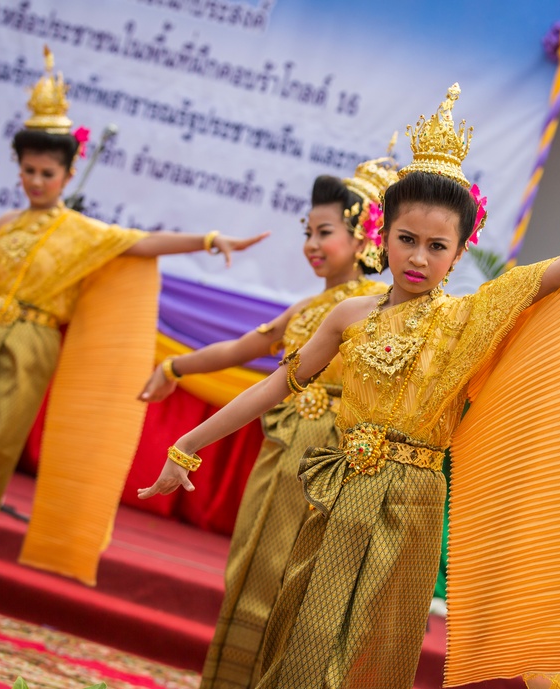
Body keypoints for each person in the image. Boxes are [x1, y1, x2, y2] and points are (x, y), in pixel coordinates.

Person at [139, 83, 560, 689]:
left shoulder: (466, 318)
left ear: (459, 254)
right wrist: (187, 445)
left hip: (412, 504)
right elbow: (274, 387)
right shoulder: (348, 315)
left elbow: (544, 277)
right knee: (306, 631)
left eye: (438, 246)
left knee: (372, 649)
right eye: (407, 239)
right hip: (337, 488)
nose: (419, 257)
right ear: (382, 237)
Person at [0, 47, 267, 617]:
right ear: (18, 169)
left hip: (27, 350)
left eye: (49, 173)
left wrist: (206, 239)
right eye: (29, 171)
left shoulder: (80, 231)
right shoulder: (6, 223)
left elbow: (141, 242)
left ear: (68, 174)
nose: (37, 181)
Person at [139, 163, 395, 689]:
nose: (311, 244)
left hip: (332, 456)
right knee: (252, 562)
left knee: (295, 576)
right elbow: (241, 350)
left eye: (325, 233)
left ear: (365, 235)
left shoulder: (375, 309)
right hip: (281, 448)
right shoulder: (308, 308)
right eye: (308, 232)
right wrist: (173, 367)